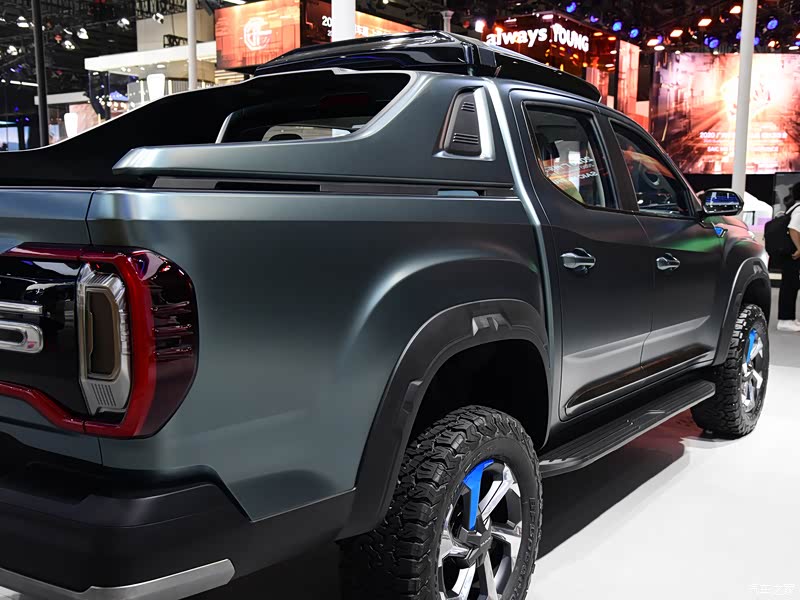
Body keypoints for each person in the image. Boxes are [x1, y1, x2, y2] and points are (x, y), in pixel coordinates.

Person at [777, 184, 800, 332]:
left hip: (788, 253)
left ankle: (789, 318)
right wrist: (799, 248)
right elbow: (793, 228)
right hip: (793, 254)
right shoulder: (799, 209)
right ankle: (785, 320)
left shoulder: (793, 207)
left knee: (790, 284)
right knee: (790, 285)